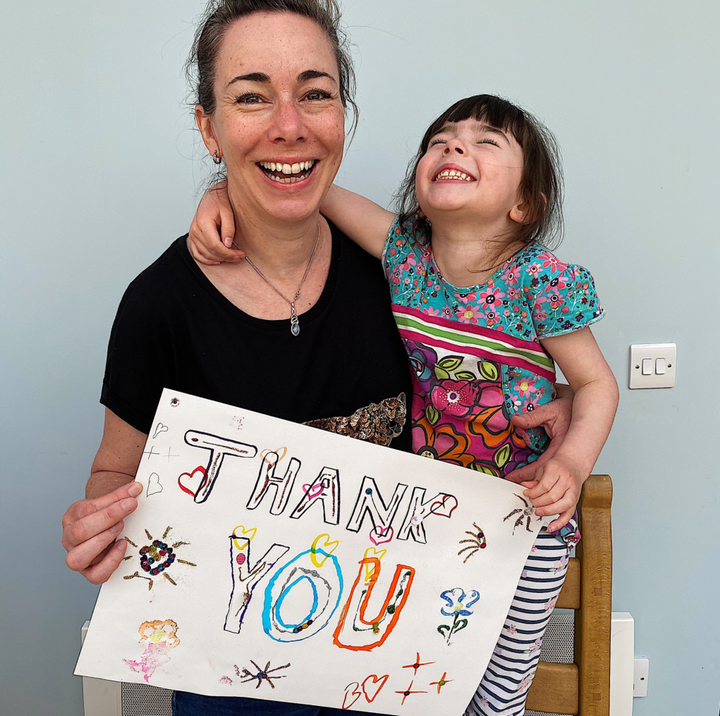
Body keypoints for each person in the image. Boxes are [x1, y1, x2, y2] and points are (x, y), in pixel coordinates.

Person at [60, 1, 574, 714]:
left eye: (314, 93)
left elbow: (511, 353)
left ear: (342, 114)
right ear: (209, 127)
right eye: (250, 97)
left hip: (404, 673)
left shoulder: (411, 281)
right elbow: (115, 471)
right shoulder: (160, 305)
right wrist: (99, 524)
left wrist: (561, 403)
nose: (289, 124)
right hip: (237, 686)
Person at [188, 93, 619, 715]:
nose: (454, 147)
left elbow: (598, 384)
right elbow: (311, 185)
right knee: (417, 676)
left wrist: (573, 464)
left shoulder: (542, 281)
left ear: (525, 203)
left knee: (498, 694)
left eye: (485, 142)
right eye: (440, 140)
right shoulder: (404, 255)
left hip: (524, 517)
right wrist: (220, 193)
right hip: (426, 514)